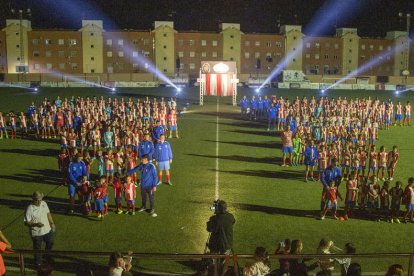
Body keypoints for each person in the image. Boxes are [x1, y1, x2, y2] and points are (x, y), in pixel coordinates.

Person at [24, 191, 56, 267]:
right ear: (33, 199)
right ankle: (38, 262)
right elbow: (26, 222)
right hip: (36, 232)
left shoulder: (44, 203)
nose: (38, 201)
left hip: (47, 229)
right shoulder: (30, 208)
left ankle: (46, 255)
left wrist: (52, 223)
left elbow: (48, 213)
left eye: (40, 199)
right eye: (36, 200)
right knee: (37, 248)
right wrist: (36, 224)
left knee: (50, 242)